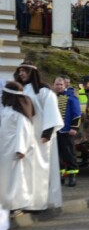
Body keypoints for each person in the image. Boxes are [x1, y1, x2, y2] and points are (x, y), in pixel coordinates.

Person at [14, 62, 64, 210]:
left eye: (25, 71)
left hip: (40, 137)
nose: (22, 73)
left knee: (40, 169)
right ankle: (24, 201)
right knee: (25, 170)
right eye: (20, 71)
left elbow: (51, 112)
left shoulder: (44, 91)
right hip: (24, 136)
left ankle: (38, 203)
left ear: (32, 72)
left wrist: (47, 134)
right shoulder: (20, 89)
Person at [0, 81, 35, 212]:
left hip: (14, 150)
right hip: (4, 149)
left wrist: (20, 149)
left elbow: (23, 131)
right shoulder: (7, 109)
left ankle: (16, 204)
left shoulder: (20, 114)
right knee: (5, 178)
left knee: (15, 178)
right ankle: (5, 203)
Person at [53, 77, 81, 187]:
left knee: (68, 154)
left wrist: (74, 128)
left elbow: (77, 113)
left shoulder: (71, 97)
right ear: (53, 85)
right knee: (56, 155)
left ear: (64, 85)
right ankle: (59, 175)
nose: (59, 86)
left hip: (67, 131)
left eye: (61, 84)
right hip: (54, 132)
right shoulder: (51, 97)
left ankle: (72, 176)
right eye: (57, 84)